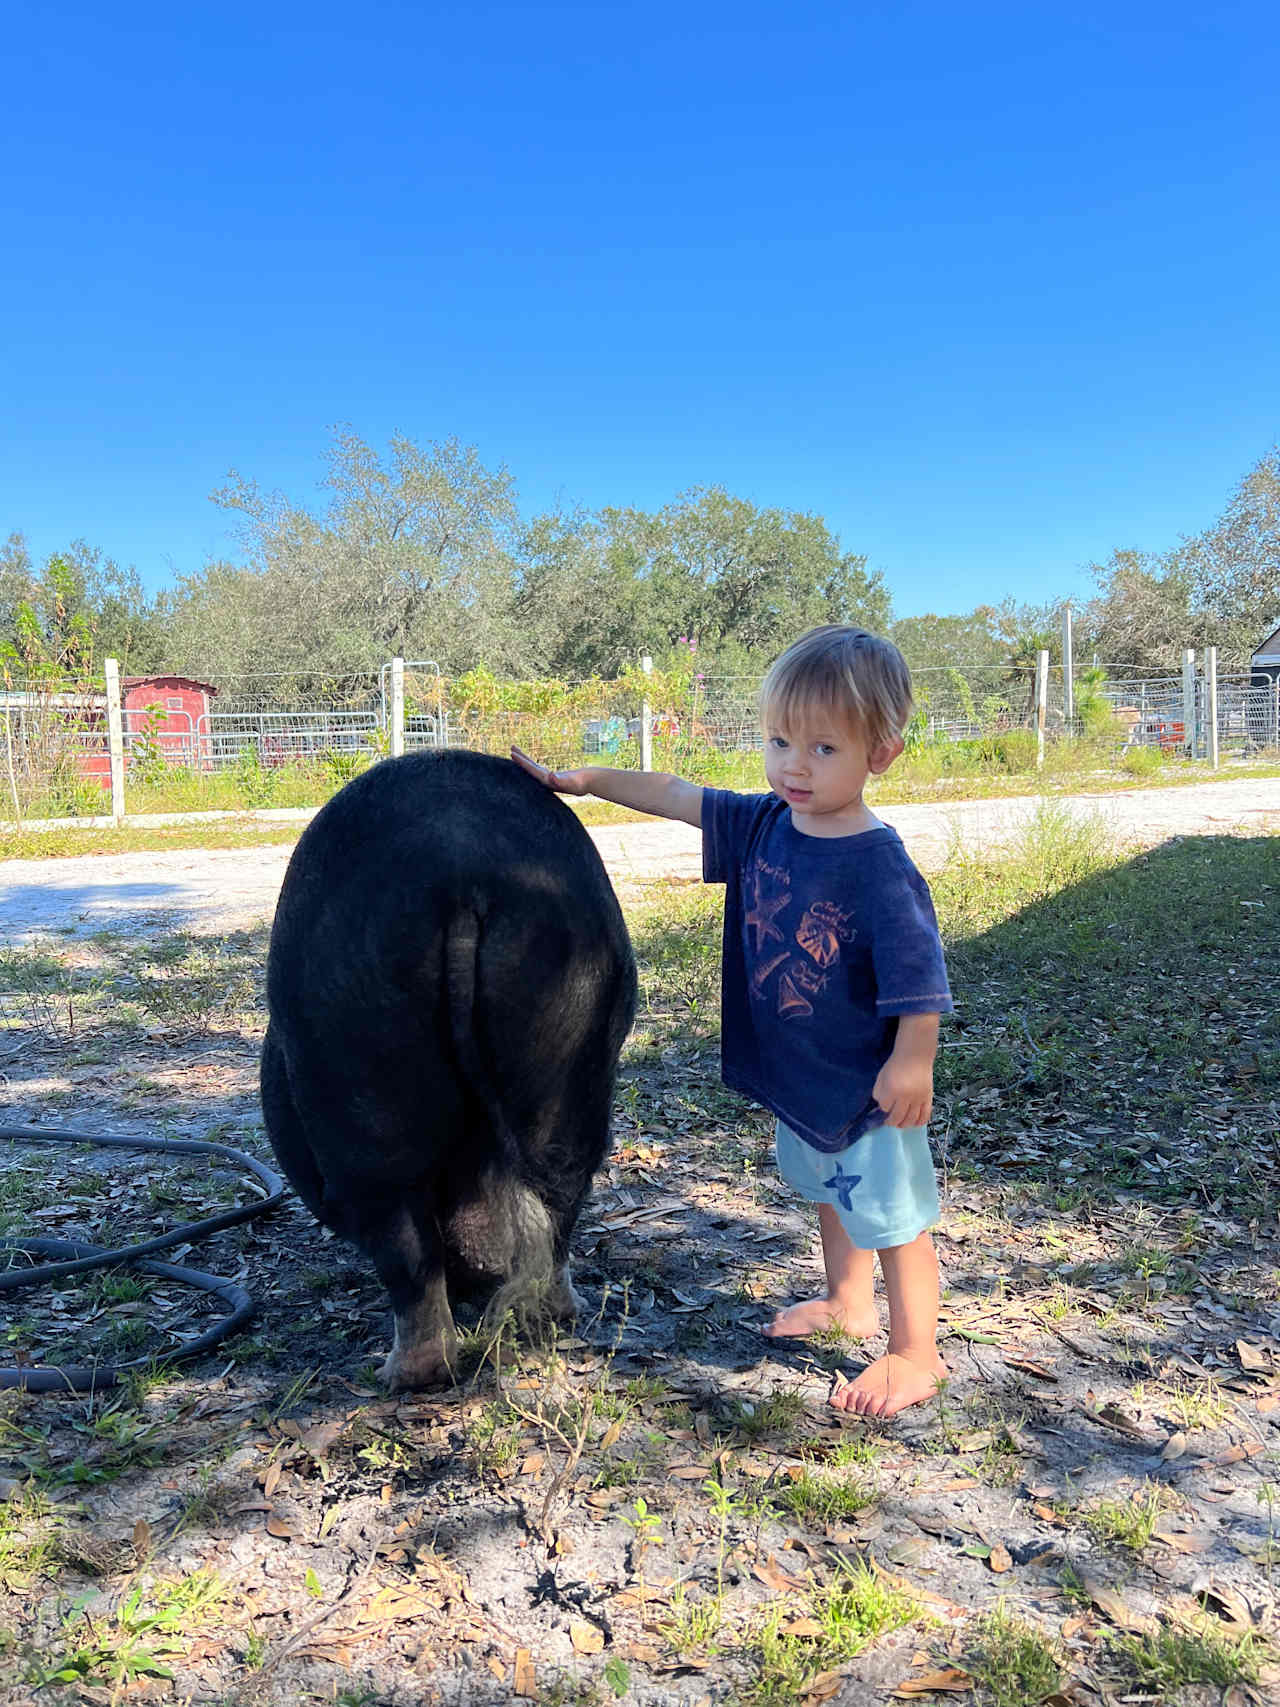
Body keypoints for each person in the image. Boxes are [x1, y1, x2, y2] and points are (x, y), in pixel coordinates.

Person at [512, 626, 952, 1418]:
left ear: (879, 753)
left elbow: (920, 973)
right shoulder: (764, 823)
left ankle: (917, 1351)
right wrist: (586, 780)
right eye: (780, 740)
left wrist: (913, 1059)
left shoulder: (878, 862)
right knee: (829, 1189)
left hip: (866, 1086)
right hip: (803, 1077)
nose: (793, 764)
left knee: (892, 1214)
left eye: (823, 748)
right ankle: (849, 1301)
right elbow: (678, 794)